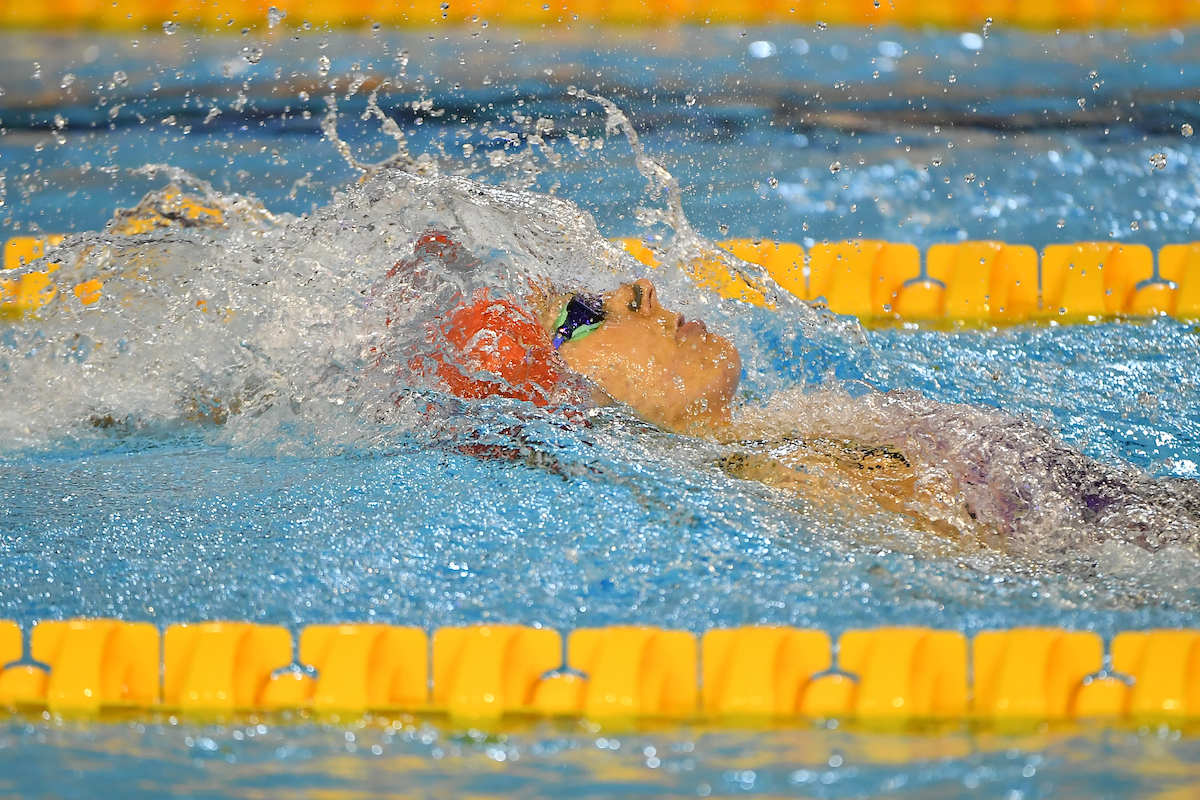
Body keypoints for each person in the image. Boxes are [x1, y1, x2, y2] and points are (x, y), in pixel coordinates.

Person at [398, 231, 1200, 558]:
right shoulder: (778, 473)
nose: (634, 289)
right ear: (572, 402)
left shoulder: (779, 434)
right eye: (581, 316)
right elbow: (1036, 563)